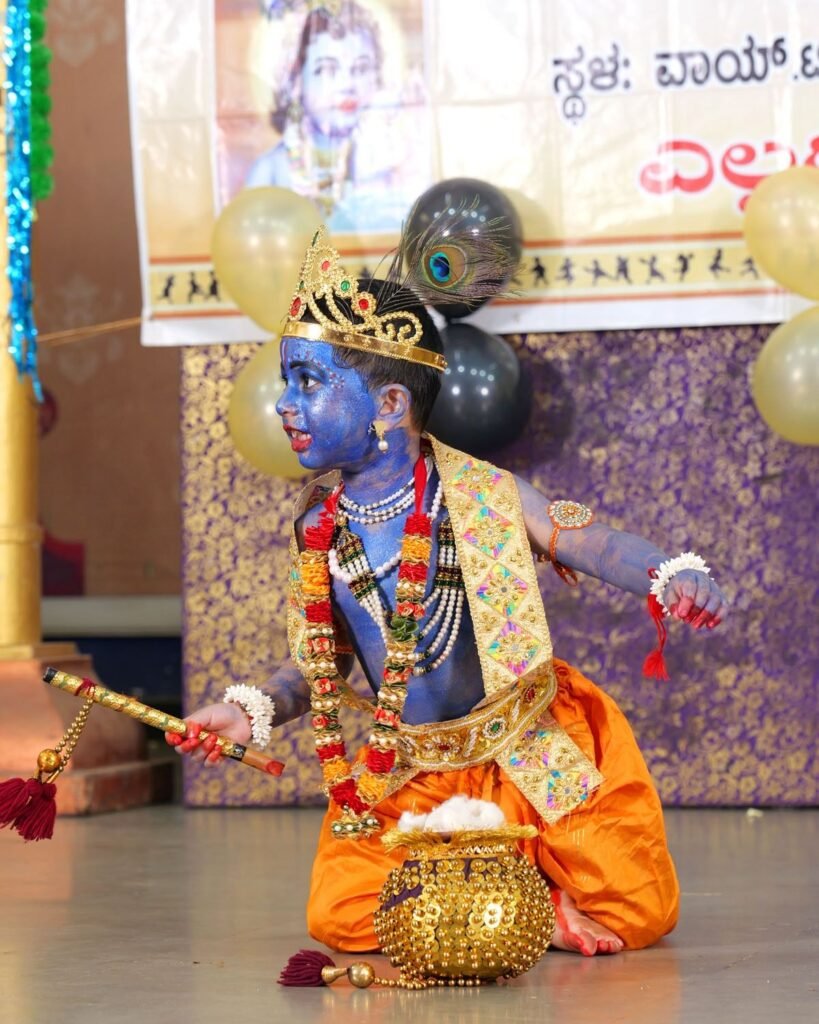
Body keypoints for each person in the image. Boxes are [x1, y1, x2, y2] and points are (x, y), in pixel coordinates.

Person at [168, 224, 729, 958]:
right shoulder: (318, 523)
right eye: (286, 382)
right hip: (409, 766)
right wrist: (255, 711)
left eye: (307, 382)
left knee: (636, 906)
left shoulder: (484, 496)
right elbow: (322, 664)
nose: (283, 404)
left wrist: (668, 572)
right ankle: (522, 896)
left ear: (389, 403)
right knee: (340, 915)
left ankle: (501, 887)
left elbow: (591, 541)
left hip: (523, 744)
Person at [246, 1, 417, 231]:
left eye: (361, 68)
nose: (347, 85)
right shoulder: (271, 170)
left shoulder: (392, 165)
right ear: (295, 82)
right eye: (327, 70)